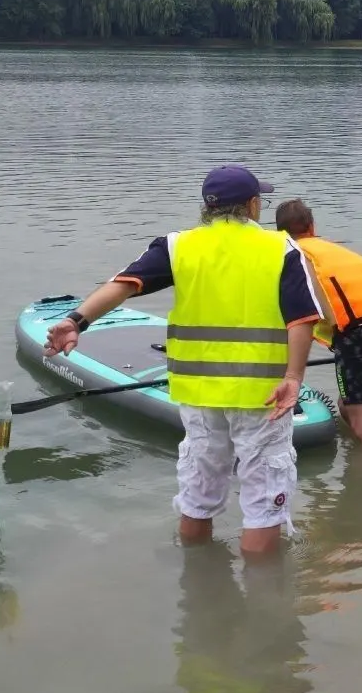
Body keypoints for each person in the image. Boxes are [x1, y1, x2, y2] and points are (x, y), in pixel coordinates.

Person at [42, 165, 322, 558]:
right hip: (263, 396)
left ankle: (199, 589)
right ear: (254, 205)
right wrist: (294, 377)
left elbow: (123, 284)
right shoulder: (282, 249)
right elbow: (301, 320)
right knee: (263, 504)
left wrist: (76, 321)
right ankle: (262, 603)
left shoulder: (176, 246)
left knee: (198, 493)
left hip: (195, 393)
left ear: (207, 207)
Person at [275, 199, 362, 451]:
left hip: (355, 334)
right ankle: (358, 464)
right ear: (312, 226)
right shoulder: (331, 249)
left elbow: (298, 312)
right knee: (348, 405)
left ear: (280, 232)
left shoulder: (293, 255)